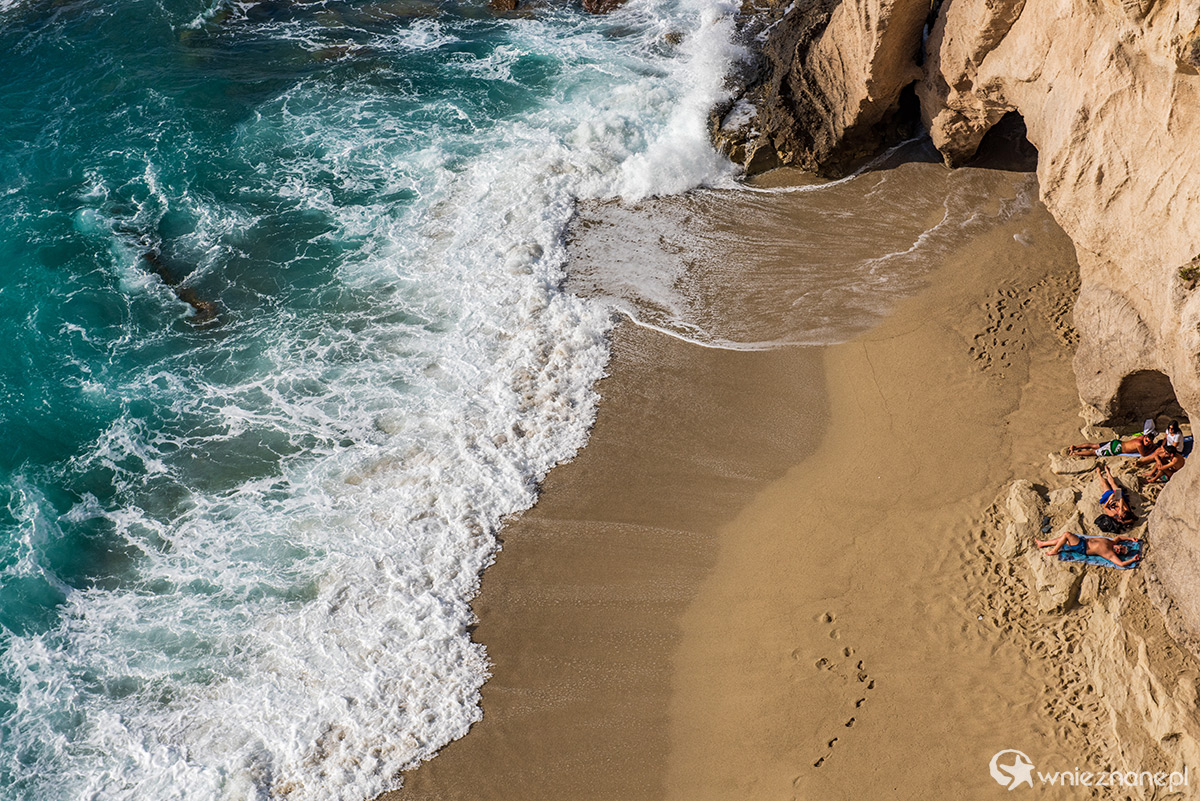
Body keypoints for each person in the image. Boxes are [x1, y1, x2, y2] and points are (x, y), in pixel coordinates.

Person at [1034, 531, 1141, 567]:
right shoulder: (1113, 542)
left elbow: (1121, 564)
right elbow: (1119, 537)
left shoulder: (1109, 553)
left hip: (1082, 547)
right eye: (1120, 548)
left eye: (1119, 552)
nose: (1118, 550)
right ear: (1120, 545)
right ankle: (1042, 544)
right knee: (1063, 539)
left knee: (1067, 535)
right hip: (1083, 541)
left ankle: (1054, 551)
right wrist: (1130, 538)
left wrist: (1133, 560)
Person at [1068, 426, 1157, 457]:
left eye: (1148, 442)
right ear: (1145, 437)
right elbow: (1144, 454)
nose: (1146, 443)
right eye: (1146, 441)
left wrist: (1150, 443)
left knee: (1094, 445)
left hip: (1116, 442)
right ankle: (1075, 453)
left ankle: (1076, 447)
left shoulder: (1141, 437)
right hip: (1115, 449)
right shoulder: (1139, 444)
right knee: (1094, 452)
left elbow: (1147, 440)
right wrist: (1152, 447)